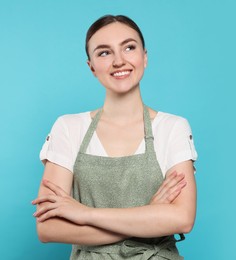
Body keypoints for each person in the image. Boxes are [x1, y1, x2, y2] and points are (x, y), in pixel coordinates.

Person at [32, 14, 197, 260]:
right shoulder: (68, 127)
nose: (119, 61)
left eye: (129, 47)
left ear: (144, 57)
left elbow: (182, 219)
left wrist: (85, 213)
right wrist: (149, 216)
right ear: (91, 66)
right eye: (104, 53)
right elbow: (48, 228)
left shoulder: (172, 127)